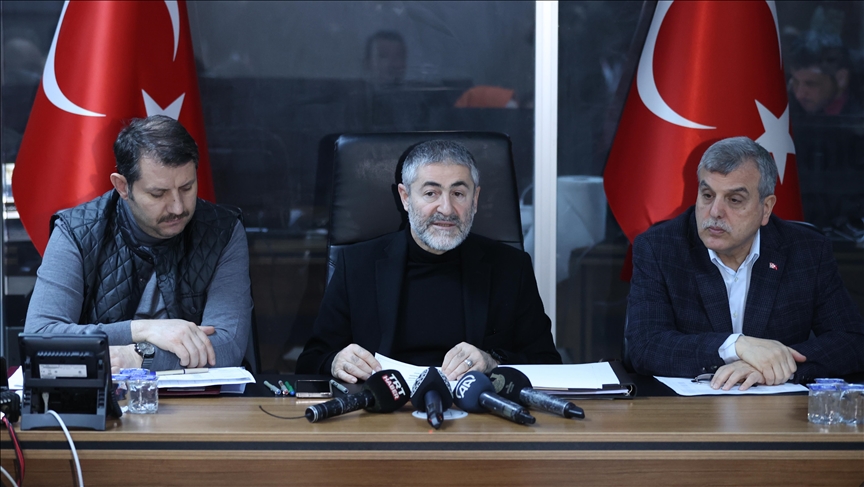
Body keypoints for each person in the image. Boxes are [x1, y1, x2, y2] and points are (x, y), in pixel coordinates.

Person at [297, 140, 560, 382]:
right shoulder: (357, 265)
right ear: (405, 198)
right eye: (431, 193)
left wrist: (494, 362)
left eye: (458, 194)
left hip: (478, 411)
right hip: (384, 409)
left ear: (475, 200)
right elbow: (311, 361)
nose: (446, 209)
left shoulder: (511, 267)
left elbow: (548, 363)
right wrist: (336, 362)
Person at [626, 136, 864, 390]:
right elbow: (644, 346)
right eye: (707, 195)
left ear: (766, 208)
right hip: (689, 411)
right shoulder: (660, 248)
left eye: (734, 200)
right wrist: (735, 346)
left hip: (778, 411)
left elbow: (853, 341)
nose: (715, 211)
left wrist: (773, 366)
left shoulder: (807, 252)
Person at [24, 115, 252, 372]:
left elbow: (227, 345)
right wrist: (142, 330)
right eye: (158, 194)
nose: (178, 207)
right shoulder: (76, 231)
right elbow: (40, 337)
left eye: (187, 188)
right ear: (123, 186)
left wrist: (137, 357)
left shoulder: (223, 231)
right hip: (104, 395)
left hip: (199, 397)